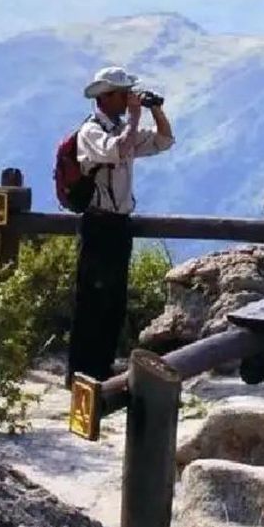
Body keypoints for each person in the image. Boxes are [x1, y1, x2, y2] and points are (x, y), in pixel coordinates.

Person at [66, 66, 175, 387]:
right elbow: (118, 150)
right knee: (91, 301)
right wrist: (136, 117)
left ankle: (102, 369)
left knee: (114, 300)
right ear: (107, 96)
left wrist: (155, 109)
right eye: (124, 93)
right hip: (98, 224)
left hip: (118, 225)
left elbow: (165, 140)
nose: (129, 99)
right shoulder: (91, 132)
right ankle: (80, 374)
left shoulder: (120, 127)